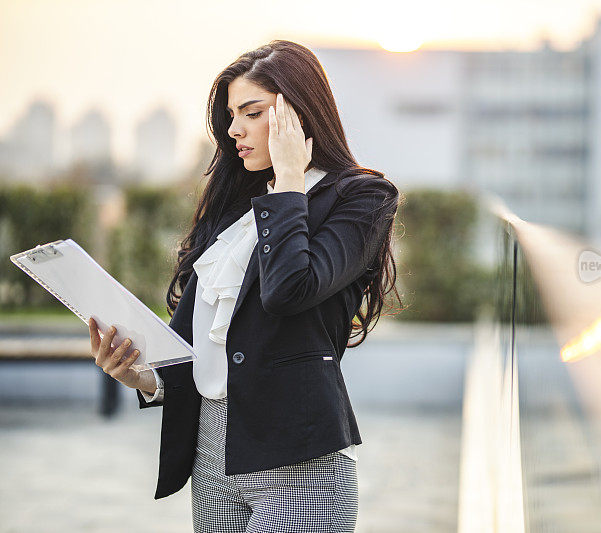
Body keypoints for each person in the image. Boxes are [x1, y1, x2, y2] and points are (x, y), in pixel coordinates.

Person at [89, 39, 402, 532]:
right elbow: (202, 347)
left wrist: (292, 180)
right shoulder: (236, 206)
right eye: (231, 115)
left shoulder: (362, 197)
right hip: (211, 451)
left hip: (297, 462)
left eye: (251, 112)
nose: (234, 129)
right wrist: (141, 378)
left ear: (298, 114)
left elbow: (289, 289)